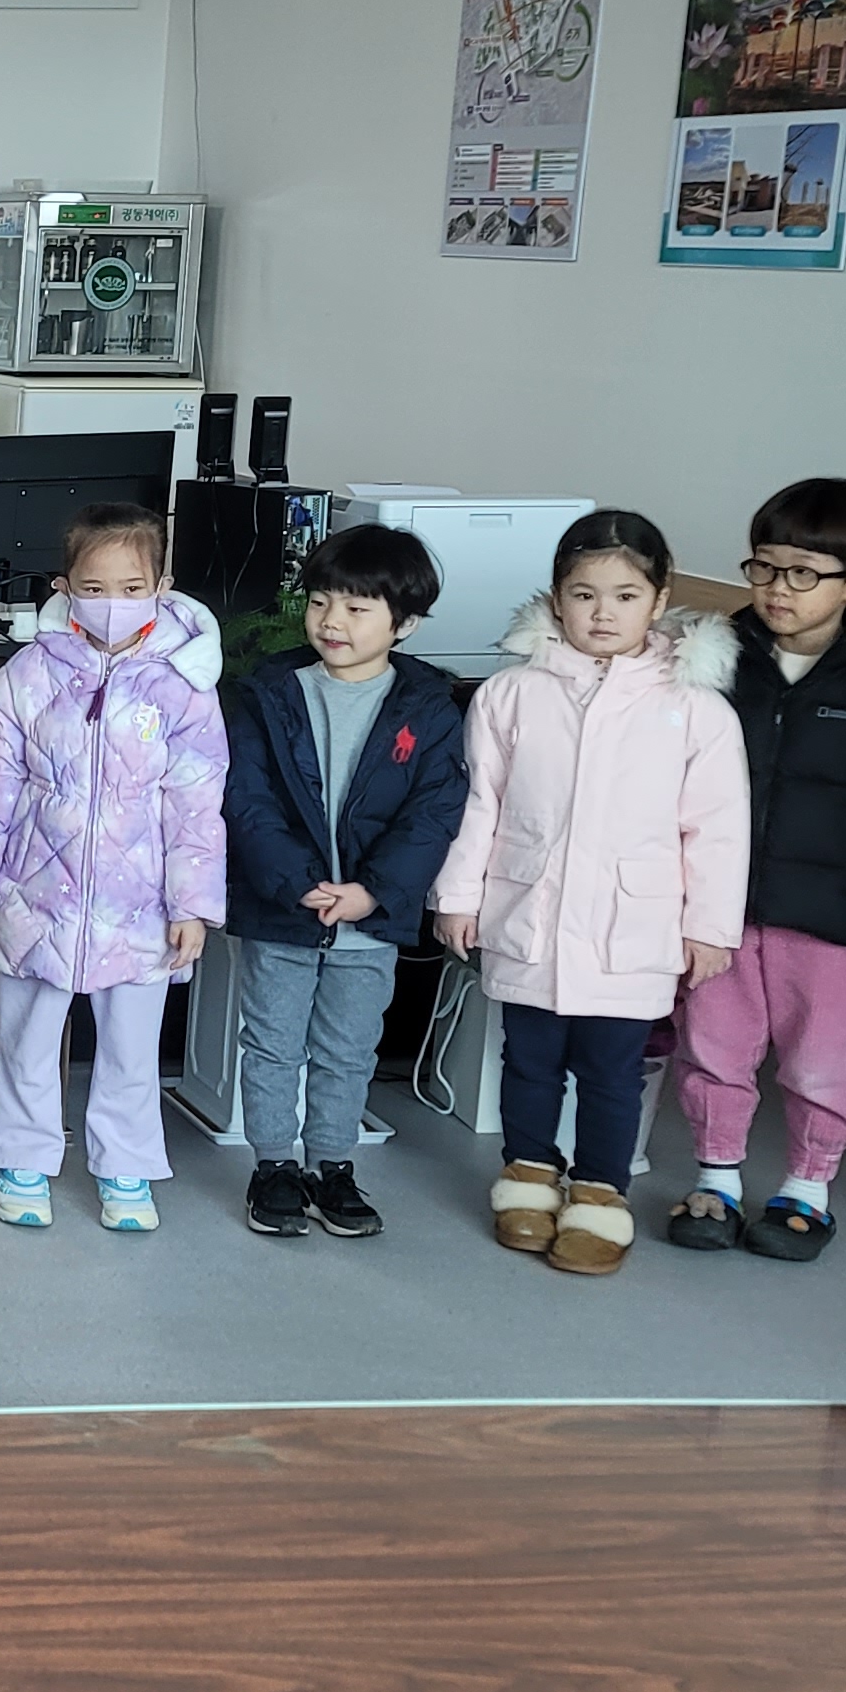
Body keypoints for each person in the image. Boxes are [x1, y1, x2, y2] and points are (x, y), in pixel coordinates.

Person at [429, 509, 748, 1278]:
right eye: (583, 594)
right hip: (528, 911)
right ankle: (529, 1178)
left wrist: (709, 927)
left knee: (611, 1071)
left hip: (632, 928)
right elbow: (483, 804)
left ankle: (601, 1196)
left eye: (625, 595)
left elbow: (717, 827)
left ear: (660, 599)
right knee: (529, 1061)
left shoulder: (696, 708)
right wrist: (459, 895)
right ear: (556, 597)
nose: (602, 613)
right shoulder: (511, 694)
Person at [663, 479, 846, 1263]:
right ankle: (716, 1178)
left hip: (837, 919)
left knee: (821, 1061)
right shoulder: (719, 660)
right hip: (723, 911)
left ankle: (808, 1187)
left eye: (803, 573)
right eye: (763, 568)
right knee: (714, 1047)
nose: (776, 590)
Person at [0, 501, 227, 1233]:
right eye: (94, 589)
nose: (112, 604)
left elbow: (199, 804)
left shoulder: (183, 684)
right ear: (66, 586)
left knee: (132, 1049)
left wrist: (191, 903)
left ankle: (127, 1169)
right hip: (36, 893)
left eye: (132, 587)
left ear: (162, 584)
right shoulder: (30, 673)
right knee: (28, 1039)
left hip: (141, 908)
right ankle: (23, 1159)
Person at [220, 523, 466, 1239]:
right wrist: (297, 882)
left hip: (370, 915)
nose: (333, 621)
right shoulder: (269, 692)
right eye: (322, 601)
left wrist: (372, 893)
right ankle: (272, 1167)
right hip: (283, 906)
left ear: (406, 622)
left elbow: (433, 813)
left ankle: (332, 1164)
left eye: (358, 609)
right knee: (272, 1041)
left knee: (348, 1048)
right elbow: (248, 797)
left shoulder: (428, 707)